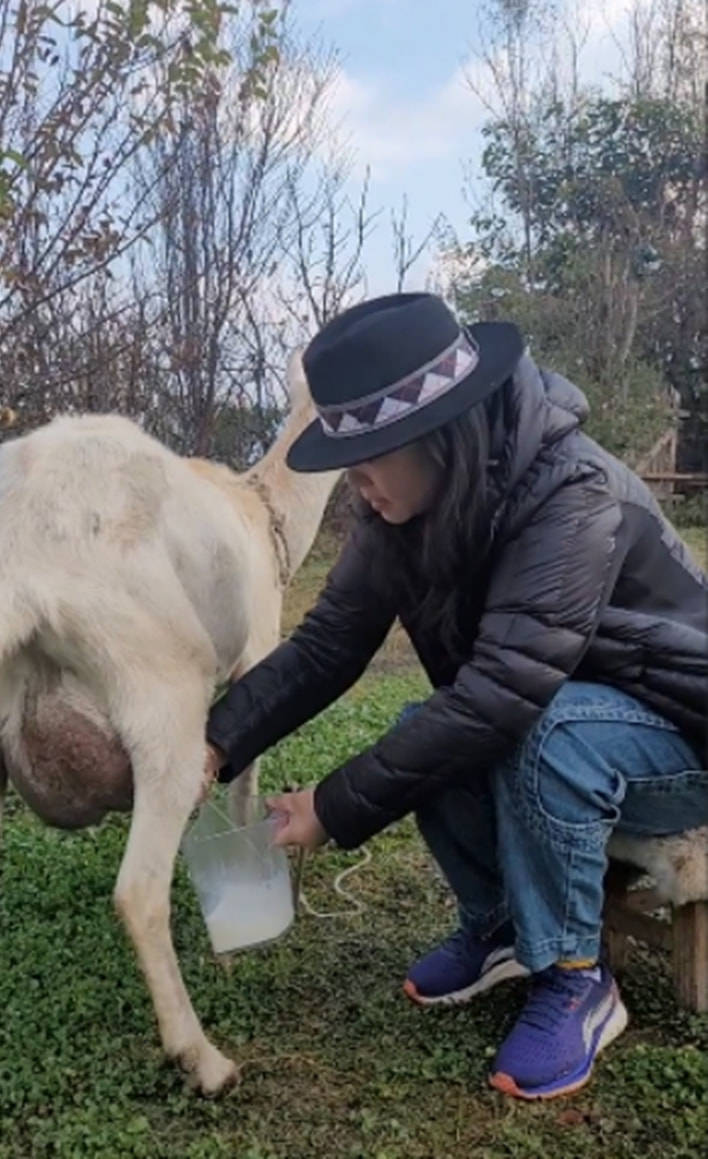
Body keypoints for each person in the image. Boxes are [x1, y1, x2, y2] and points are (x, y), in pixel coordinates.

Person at [203, 292, 708, 1100]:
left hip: (683, 733)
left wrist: (332, 806)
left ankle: (578, 976)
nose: (356, 485)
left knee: (549, 734)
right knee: (430, 730)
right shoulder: (401, 510)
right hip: (571, 707)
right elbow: (330, 641)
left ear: (438, 435)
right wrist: (218, 740)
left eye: (368, 458)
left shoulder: (571, 494)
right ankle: (504, 928)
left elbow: (501, 694)